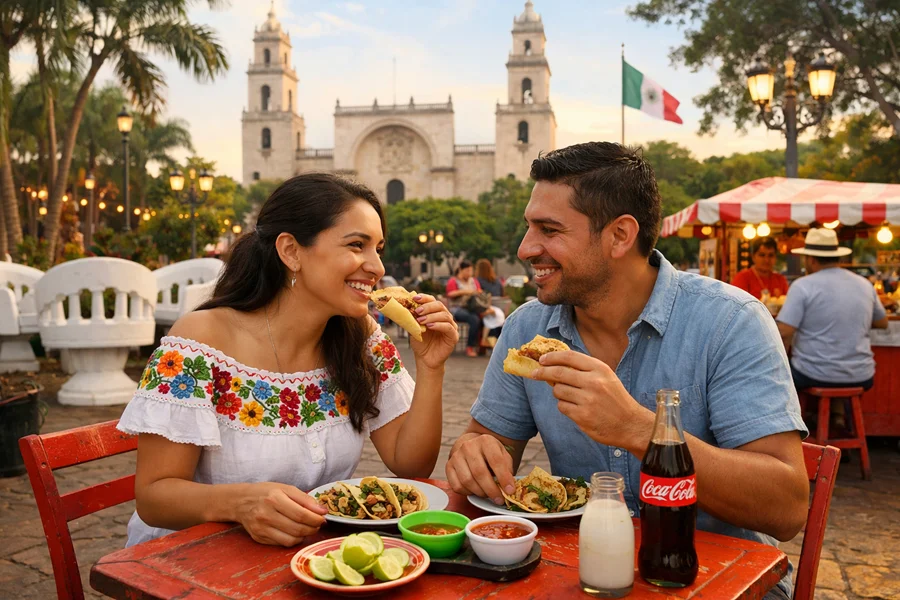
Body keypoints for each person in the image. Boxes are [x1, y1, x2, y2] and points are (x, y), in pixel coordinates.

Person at [446, 142, 808, 600]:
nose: (526, 248)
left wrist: (639, 429)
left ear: (620, 235)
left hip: (720, 580)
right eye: (528, 228)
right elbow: (486, 443)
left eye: (549, 230)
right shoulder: (525, 330)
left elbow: (787, 507)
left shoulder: (729, 322)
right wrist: (476, 456)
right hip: (582, 573)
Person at [118, 173, 458, 548]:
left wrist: (431, 367)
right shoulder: (199, 342)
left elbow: (411, 465)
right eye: (357, 245)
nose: (377, 266)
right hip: (192, 560)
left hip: (304, 557)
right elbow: (154, 498)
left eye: (379, 247)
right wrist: (241, 503)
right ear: (291, 251)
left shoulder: (360, 337)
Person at [776, 228, 888, 428]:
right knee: (834, 370)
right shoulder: (864, 284)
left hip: (812, 373)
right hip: (861, 375)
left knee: (787, 374)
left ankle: (808, 423)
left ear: (810, 259)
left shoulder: (803, 286)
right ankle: (837, 420)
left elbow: (784, 331)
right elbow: (882, 322)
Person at [446, 260, 484, 357]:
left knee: (482, 318)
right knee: (474, 319)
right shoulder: (453, 281)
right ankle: (470, 347)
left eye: (471, 271)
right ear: (461, 270)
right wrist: (465, 292)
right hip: (457, 308)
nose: (469, 273)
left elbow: (479, 291)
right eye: (467, 271)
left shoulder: (474, 281)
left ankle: (482, 346)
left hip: (472, 307)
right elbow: (450, 294)